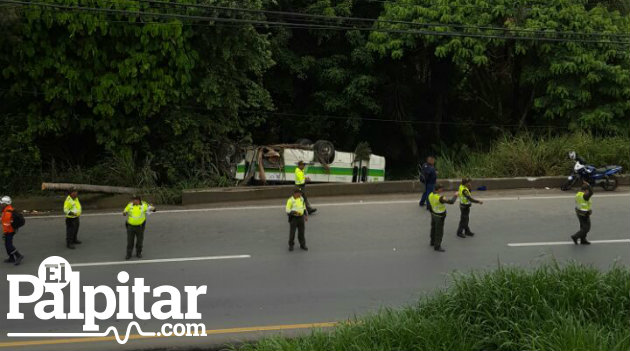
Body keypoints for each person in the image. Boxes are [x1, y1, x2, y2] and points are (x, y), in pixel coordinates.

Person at [123, 195, 156, 259]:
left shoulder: (144, 205)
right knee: (130, 241)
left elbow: (153, 209)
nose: (133, 201)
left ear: (138, 200)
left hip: (140, 227)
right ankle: (128, 254)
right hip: (130, 227)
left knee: (139, 241)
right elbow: (124, 211)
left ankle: (138, 253)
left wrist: (153, 208)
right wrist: (124, 213)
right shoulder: (130, 205)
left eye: (134, 200)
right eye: (132, 199)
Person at [428, 184, 457, 252]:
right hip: (439, 216)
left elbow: (430, 205)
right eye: (441, 188)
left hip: (433, 214)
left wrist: (432, 212)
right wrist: (455, 195)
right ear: (438, 189)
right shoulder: (440, 197)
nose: (442, 190)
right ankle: (437, 246)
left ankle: (432, 242)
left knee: (433, 229)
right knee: (439, 231)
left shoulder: (430, 195)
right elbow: (451, 202)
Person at [1, 196, 24, 265]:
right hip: (10, 230)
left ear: (5, 204)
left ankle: (18, 256)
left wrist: (5, 233)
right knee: (6, 245)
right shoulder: (7, 209)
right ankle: (11, 258)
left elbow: (7, 224)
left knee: (9, 245)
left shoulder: (8, 212)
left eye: (2, 203)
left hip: (10, 231)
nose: (1, 204)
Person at [571, 181, 593, 245]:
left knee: (582, 227)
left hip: (579, 212)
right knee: (586, 228)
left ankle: (583, 240)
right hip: (584, 214)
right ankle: (575, 236)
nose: (588, 192)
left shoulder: (578, 194)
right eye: (587, 191)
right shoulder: (585, 196)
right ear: (585, 191)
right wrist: (588, 185)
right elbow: (591, 192)